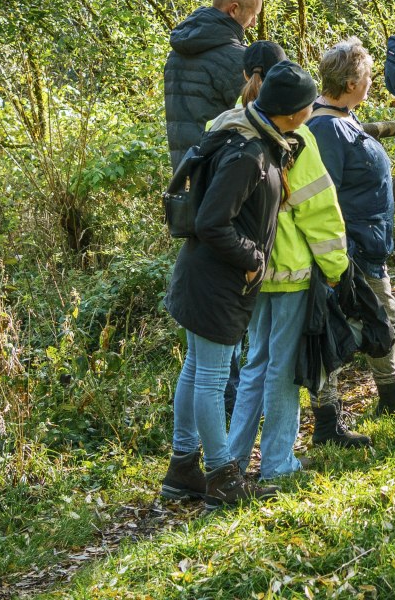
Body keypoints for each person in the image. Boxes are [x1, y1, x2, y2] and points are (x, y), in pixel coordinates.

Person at [161, 61, 314, 510]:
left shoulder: (254, 135)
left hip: (203, 276)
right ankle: (224, 476)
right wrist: (253, 260)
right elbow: (212, 221)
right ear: (293, 111)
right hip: (216, 281)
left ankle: (183, 467)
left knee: (195, 372)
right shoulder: (248, 154)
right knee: (209, 379)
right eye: (308, 104)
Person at [225, 60, 351, 479]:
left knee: (253, 364)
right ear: (297, 109)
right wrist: (335, 266)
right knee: (283, 369)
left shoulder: (228, 125)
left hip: (248, 267)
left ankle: (233, 459)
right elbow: (318, 210)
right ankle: (278, 463)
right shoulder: (297, 140)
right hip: (291, 271)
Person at [309, 40, 395, 433]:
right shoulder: (325, 127)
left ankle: (392, 393)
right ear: (352, 80)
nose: (372, 82)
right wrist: (339, 254)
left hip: (366, 245)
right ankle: (328, 419)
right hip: (348, 250)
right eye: (369, 76)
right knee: (336, 328)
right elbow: (323, 198)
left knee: (383, 315)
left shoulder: (343, 117)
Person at [164, 0, 262, 167]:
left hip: (184, 171)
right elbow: (260, 121)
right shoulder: (236, 59)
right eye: (253, 15)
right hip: (222, 174)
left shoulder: (176, 53)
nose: (253, 24)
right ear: (234, 9)